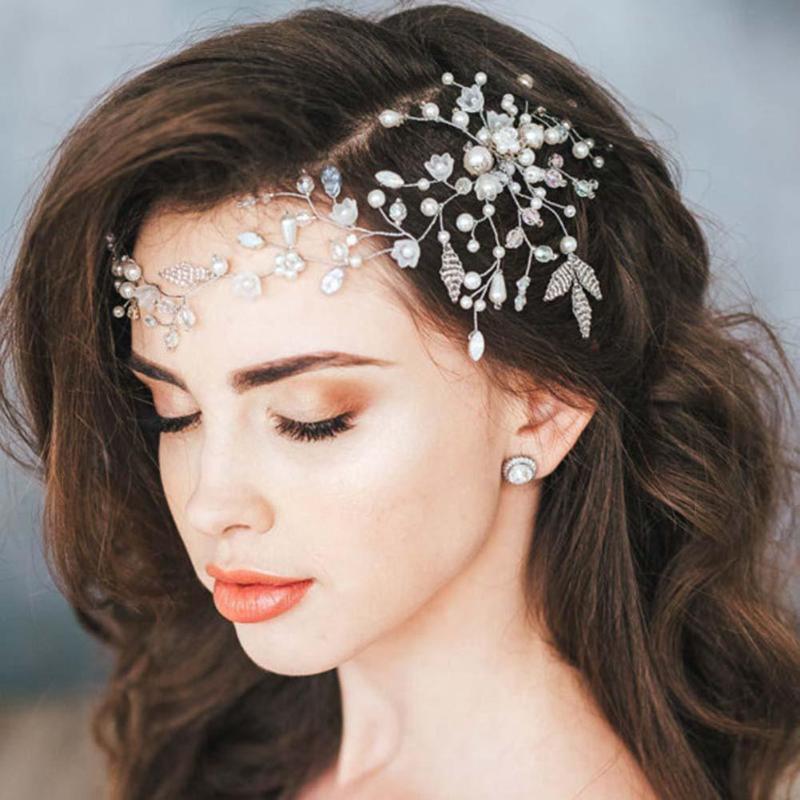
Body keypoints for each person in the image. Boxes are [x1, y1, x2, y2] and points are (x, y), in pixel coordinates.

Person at [1, 4, 798, 799]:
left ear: (544, 405)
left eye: (311, 419)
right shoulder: (226, 731)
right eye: (171, 412)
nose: (211, 504)